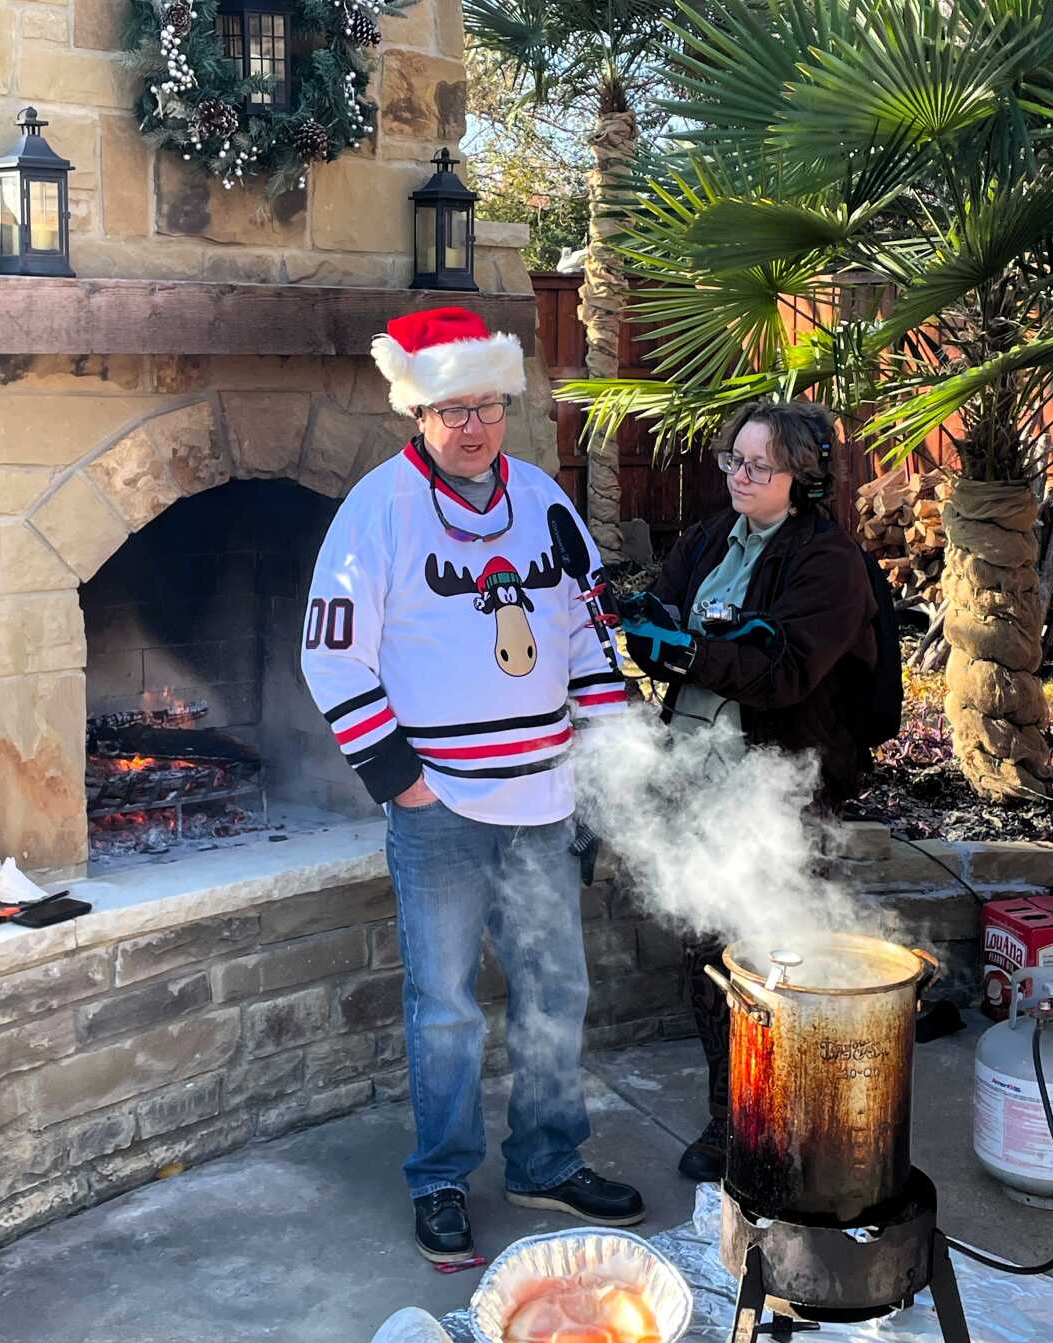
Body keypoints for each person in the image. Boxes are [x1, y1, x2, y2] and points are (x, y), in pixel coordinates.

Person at [301, 306, 643, 1264]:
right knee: (446, 1003)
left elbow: (587, 635)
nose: (473, 427)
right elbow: (331, 656)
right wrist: (401, 781)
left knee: (553, 988)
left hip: (544, 799)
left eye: (488, 405)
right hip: (439, 806)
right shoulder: (377, 509)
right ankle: (443, 1176)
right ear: (417, 410)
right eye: (452, 409)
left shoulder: (542, 498)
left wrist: (608, 753)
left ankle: (545, 1159)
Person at [622, 399, 878, 1183]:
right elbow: (663, 614)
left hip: (783, 793)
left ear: (802, 478)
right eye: (734, 457)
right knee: (710, 963)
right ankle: (730, 1122)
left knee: (781, 963)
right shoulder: (706, 539)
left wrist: (690, 651)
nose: (739, 474)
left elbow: (786, 672)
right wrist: (648, 623)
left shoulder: (829, 563)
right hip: (701, 782)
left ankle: (797, 1130)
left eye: (758, 465)